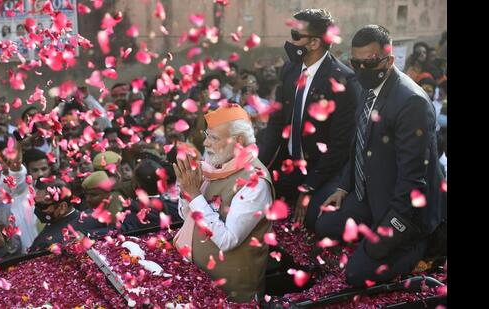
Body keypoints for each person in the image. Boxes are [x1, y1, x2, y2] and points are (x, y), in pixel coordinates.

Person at [316, 25, 446, 287]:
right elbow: (359, 142)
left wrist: (388, 233)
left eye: (371, 62)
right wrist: (344, 185)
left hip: (406, 210)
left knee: (357, 274)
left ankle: (421, 243)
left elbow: (412, 181)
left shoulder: (411, 103)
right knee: (321, 225)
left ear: (389, 60)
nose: (362, 68)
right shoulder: (367, 85)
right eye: (356, 63)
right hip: (370, 193)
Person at [258, 8, 361, 229]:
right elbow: (276, 122)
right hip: (289, 163)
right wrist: (259, 165)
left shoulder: (344, 82)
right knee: (254, 203)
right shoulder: (290, 69)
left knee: (314, 219)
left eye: (296, 36)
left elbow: (340, 146)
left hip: (322, 169)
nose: (289, 41)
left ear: (314, 43)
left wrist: (310, 186)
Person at [173, 104, 274, 302]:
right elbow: (186, 216)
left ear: (237, 141)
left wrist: (194, 196)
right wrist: (187, 192)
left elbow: (228, 240)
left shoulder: (255, 181)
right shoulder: (215, 165)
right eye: (207, 135)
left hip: (229, 293)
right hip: (196, 277)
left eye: (214, 138)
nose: (205, 143)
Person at [29, 179, 109, 251]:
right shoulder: (96, 217)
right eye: (35, 204)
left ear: (63, 207)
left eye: (42, 206)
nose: (37, 209)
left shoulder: (46, 242)